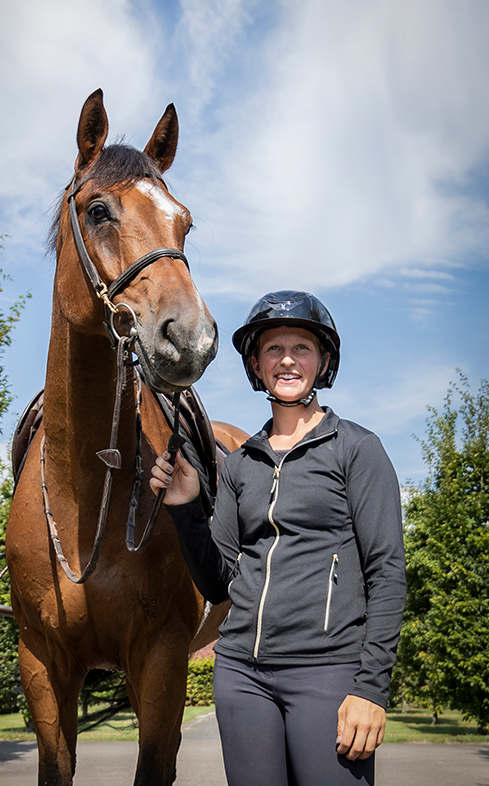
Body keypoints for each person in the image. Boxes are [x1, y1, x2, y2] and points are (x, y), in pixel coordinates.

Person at [150, 290, 407, 786]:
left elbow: (387, 575)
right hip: (242, 678)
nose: (287, 359)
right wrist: (184, 507)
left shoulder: (357, 449)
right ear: (256, 364)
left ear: (323, 361)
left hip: (328, 673)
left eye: (301, 348)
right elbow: (218, 583)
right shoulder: (242, 464)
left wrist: (372, 689)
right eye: (273, 349)